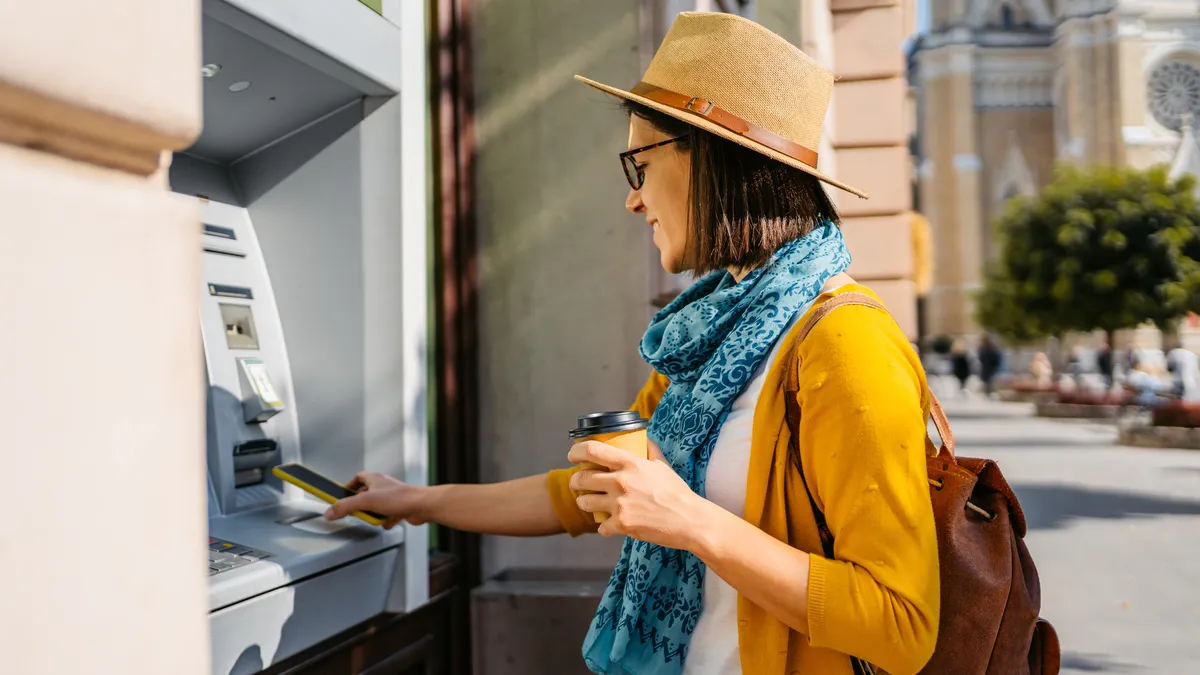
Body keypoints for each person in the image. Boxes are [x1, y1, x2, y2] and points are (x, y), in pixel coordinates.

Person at [326, 13, 939, 675]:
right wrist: (415, 501)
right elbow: (585, 494)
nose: (633, 199)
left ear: (708, 158)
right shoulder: (708, 337)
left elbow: (900, 623)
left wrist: (689, 519)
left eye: (639, 164)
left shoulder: (846, 342)